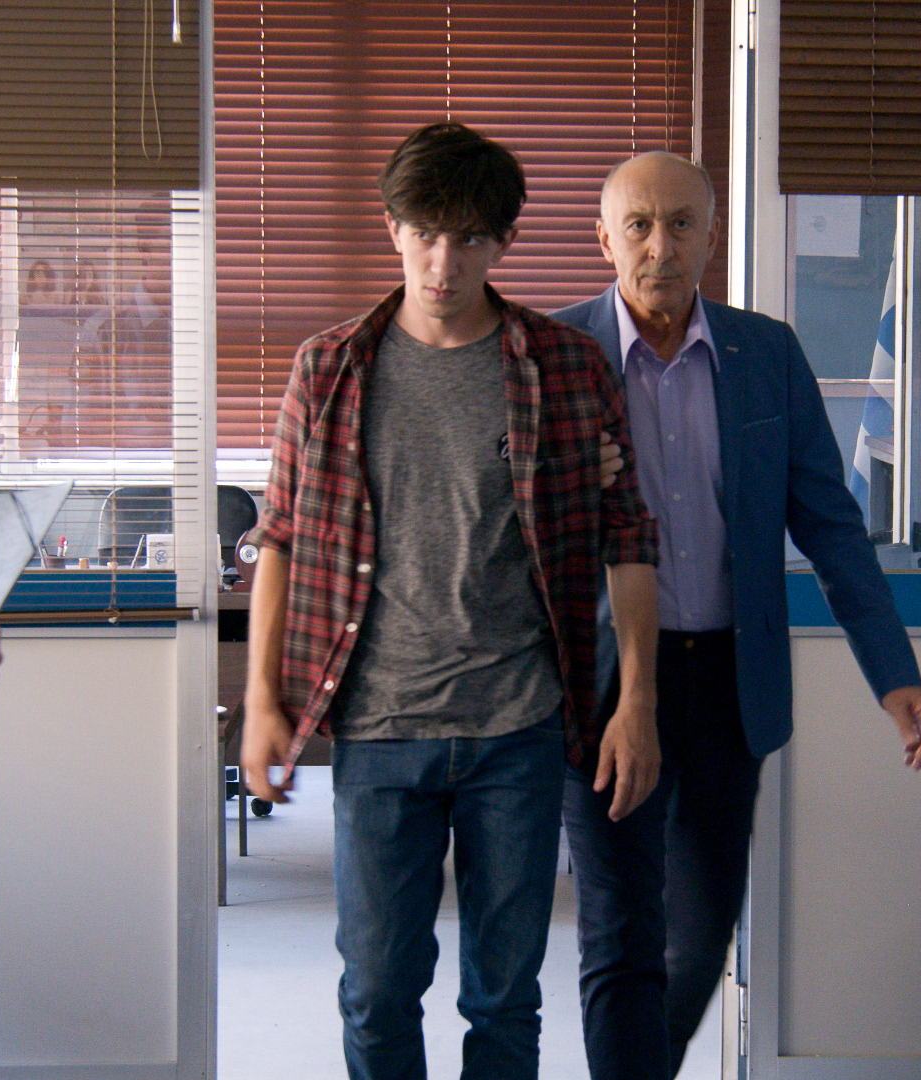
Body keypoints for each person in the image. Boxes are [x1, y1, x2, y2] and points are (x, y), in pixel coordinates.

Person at [237, 123, 663, 1080]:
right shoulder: (329, 368)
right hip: (380, 727)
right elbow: (281, 538)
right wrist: (263, 701)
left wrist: (636, 701)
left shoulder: (565, 366)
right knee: (377, 990)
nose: (443, 262)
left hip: (518, 728)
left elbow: (628, 539)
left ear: (502, 241)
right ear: (392, 226)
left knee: (505, 997)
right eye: (425, 233)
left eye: (470, 238)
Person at [553, 151, 921, 1080]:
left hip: (730, 682)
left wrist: (893, 674)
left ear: (713, 236)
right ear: (604, 239)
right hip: (603, 687)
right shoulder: (555, 354)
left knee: (699, 934)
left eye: (681, 224)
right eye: (639, 226)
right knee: (620, 934)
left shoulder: (765, 354)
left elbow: (832, 527)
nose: (661, 246)